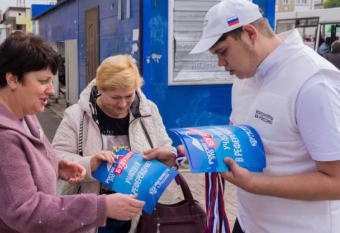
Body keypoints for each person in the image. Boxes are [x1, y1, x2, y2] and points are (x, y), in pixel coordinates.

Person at [145, 0, 340, 232]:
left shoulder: (314, 83)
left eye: (223, 51)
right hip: (248, 222)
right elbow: (234, 140)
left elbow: (336, 181)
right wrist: (183, 153)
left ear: (249, 33)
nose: (220, 63)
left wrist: (254, 184)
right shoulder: (245, 78)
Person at [0, 32, 144, 233]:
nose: (52, 90)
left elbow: (17, 166)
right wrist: (102, 206)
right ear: (12, 79)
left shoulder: (19, 110)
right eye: (42, 81)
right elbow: (26, 211)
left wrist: (54, 165)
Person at [52, 54, 176, 233]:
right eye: (115, 97)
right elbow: (56, 157)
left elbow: (165, 145)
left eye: (129, 95)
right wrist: (90, 164)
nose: (123, 104)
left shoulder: (148, 111)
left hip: (137, 215)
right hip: (91, 216)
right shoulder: (77, 116)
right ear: (101, 89)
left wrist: (169, 155)